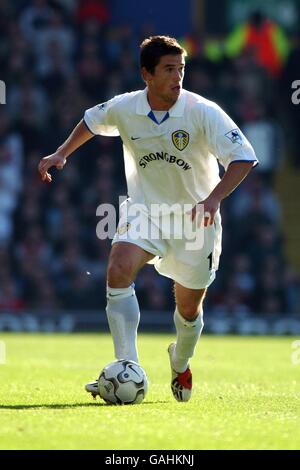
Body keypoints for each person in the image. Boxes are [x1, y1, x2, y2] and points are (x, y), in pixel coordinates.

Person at [38, 36, 258, 402]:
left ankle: (181, 361)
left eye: (181, 69)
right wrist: (62, 153)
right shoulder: (126, 108)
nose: (178, 77)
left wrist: (214, 199)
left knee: (188, 309)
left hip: (195, 220)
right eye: (169, 70)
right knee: (118, 267)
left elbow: (243, 158)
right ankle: (128, 366)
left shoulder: (203, 111)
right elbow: (92, 120)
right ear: (146, 74)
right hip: (146, 212)